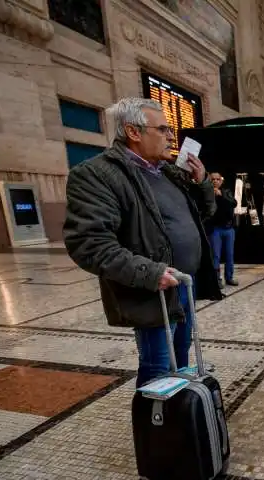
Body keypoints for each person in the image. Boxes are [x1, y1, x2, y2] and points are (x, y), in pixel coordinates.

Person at [63, 97, 222, 387]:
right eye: (163, 130)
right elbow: (88, 243)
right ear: (133, 132)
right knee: (159, 367)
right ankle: (157, 426)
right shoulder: (97, 175)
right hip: (153, 292)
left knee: (180, 358)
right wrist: (151, 274)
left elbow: (203, 214)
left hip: (183, 285)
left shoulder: (168, 172)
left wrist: (200, 183)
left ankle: (179, 415)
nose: (171, 137)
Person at [207, 173, 238, 288]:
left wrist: (221, 195)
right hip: (215, 229)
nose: (215, 181)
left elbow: (234, 203)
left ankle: (229, 277)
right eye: (213, 179)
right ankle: (217, 279)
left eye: (217, 179)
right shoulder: (207, 192)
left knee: (230, 254)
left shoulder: (226, 192)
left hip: (228, 228)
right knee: (216, 255)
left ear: (221, 181)